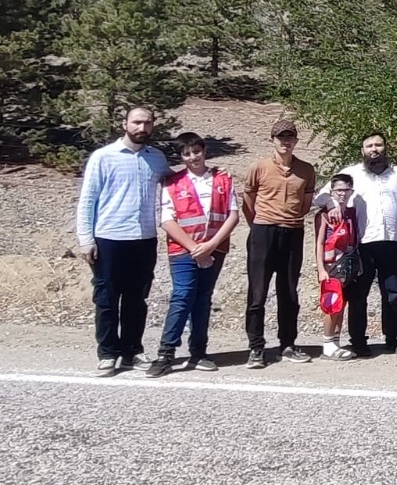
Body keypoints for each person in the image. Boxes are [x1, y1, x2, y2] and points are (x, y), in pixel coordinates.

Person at [75, 107, 169, 376]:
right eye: (137, 122)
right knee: (106, 298)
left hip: (144, 239)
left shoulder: (157, 158)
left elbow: (179, 183)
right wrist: (85, 239)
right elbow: (87, 200)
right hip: (108, 239)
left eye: (147, 123)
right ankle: (107, 353)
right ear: (124, 123)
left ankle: (132, 350)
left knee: (136, 299)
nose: (142, 127)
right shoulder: (103, 157)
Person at [317, 132, 397, 357]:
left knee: (392, 293)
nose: (374, 149)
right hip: (362, 244)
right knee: (358, 295)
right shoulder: (352, 173)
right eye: (369, 146)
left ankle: (393, 340)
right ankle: (358, 341)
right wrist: (333, 203)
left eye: (378, 145)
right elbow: (321, 196)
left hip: (393, 242)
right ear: (362, 151)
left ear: (386, 148)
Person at [149, 132, 240, 378]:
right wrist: (195, 248)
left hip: (215, 249)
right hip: (182, 251)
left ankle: (199, 351)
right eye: (187, 154)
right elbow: (167, 220)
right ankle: (165, 353)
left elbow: (233, 215)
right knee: (182, 296)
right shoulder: (173, 182)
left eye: (196, 151)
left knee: (203, 299)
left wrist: (210, 246)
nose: (193, 157)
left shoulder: (223, 179)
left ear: (204, 151)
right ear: (181, 157)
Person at [240, 119, 317, 369]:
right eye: (280, 137)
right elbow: (248, 199)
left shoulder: (306, 169)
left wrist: (290, 219)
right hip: (263, 231)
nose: (285, 142)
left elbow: (306, 203)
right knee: (258, 293)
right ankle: (256, 347)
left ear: (295, 140)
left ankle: (287, 343)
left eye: (290, 137)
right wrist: (261, 223)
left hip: (293, 232)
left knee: (289, 292)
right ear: (272, 140)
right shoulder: (259, 167)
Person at [314, 174, 360, 361]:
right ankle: (327, 343)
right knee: (332, 305)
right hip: (330, 265)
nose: (342, 194)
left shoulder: (351, 213)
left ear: (351, 192)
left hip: (347, 264)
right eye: (338, 190)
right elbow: (318, 243)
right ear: (332, 191)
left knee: (342, 305)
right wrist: (321, 269)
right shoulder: (324, 215)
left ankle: (335, 342)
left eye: (346, 190)